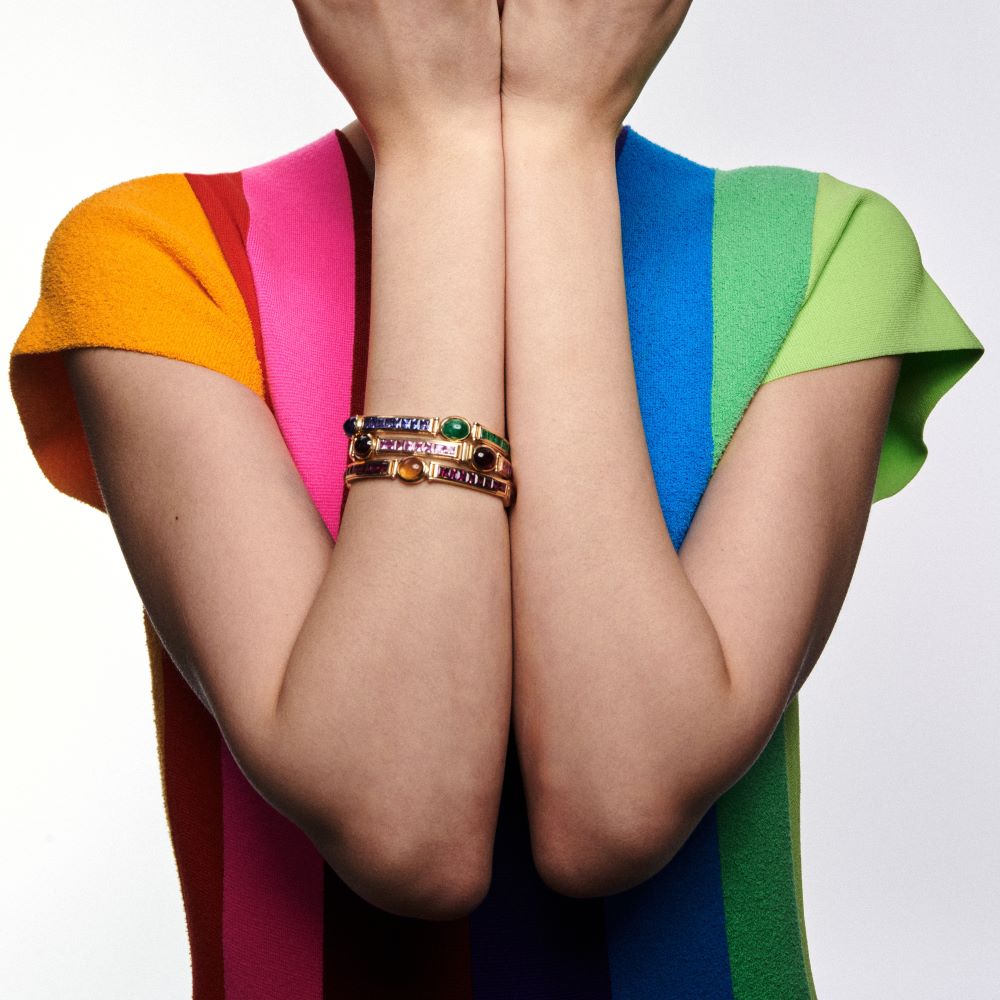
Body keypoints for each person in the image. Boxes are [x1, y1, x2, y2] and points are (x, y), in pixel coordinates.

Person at [8, 0, 984, 995]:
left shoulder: (822, 253)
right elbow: (404, 825)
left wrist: (552, 142)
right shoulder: (158, 258)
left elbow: (614, 810)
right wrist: (446, 146)